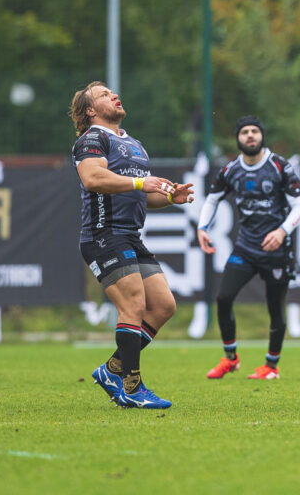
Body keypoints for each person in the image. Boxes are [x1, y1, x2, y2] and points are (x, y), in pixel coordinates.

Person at [71, 82, 194, 410]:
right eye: (103, 95)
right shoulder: (92, 139)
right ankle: (131, 387)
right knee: (134, 306)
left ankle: (112, 369)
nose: (113, 95)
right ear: (91, 111)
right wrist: (142, 182)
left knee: (164, 306)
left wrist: (169, 197)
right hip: (103, 235)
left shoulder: (135, 144)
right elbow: (92, 179)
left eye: (112, 92)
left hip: (130, 236)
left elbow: (142, 193)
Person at [196, 116, 300, 381]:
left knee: (275, 308)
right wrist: (202, 227)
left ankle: (271, 366)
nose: (250, 136)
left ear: (262, 136)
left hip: (277, 252)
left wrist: (282, 231)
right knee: (223, 298)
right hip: (245, 248)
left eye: (254, 131)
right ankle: (230, 358)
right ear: (238, 138)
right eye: (244, 131)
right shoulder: (231, 169)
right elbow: (211, 200)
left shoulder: (279, 166)